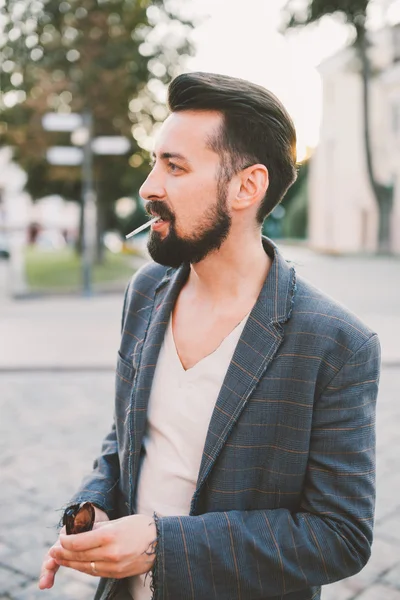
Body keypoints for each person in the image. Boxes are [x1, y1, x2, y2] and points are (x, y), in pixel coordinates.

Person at [39, 72, 381, 600]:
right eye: (156, 162)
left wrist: (160, 544)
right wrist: (91, 511)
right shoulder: (146, 291)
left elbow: (340, 537)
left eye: (174, 167)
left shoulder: (336, 344)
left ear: (247, 187)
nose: (149, 187)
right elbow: (127, 438)